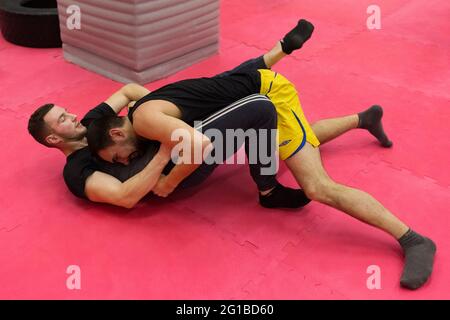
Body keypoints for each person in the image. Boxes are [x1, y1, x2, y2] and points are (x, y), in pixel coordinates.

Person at [88, 19, 436, 290]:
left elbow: (199, 146)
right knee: (298, 141)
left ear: (118, 132)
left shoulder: (146, 121)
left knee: (317, 186)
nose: (125, 161)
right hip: (247, 86)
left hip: (271, 95)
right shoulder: (143, 105)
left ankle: (413, 238)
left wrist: (167, 181)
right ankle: (364, 118)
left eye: (117, 156)